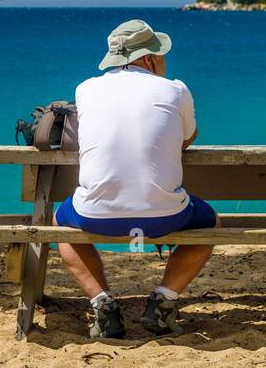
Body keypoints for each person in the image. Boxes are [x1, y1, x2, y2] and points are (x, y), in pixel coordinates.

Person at [54, 19, 217, 339]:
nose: (164, 60)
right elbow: (188, 138)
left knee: (62, 226)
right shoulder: (176, 89)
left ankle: (103, 305)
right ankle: (163, 302)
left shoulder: (85, 89)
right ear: (148, 58)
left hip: (94, 215)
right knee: (208, 224)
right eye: (160, 54)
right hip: (165, 216)